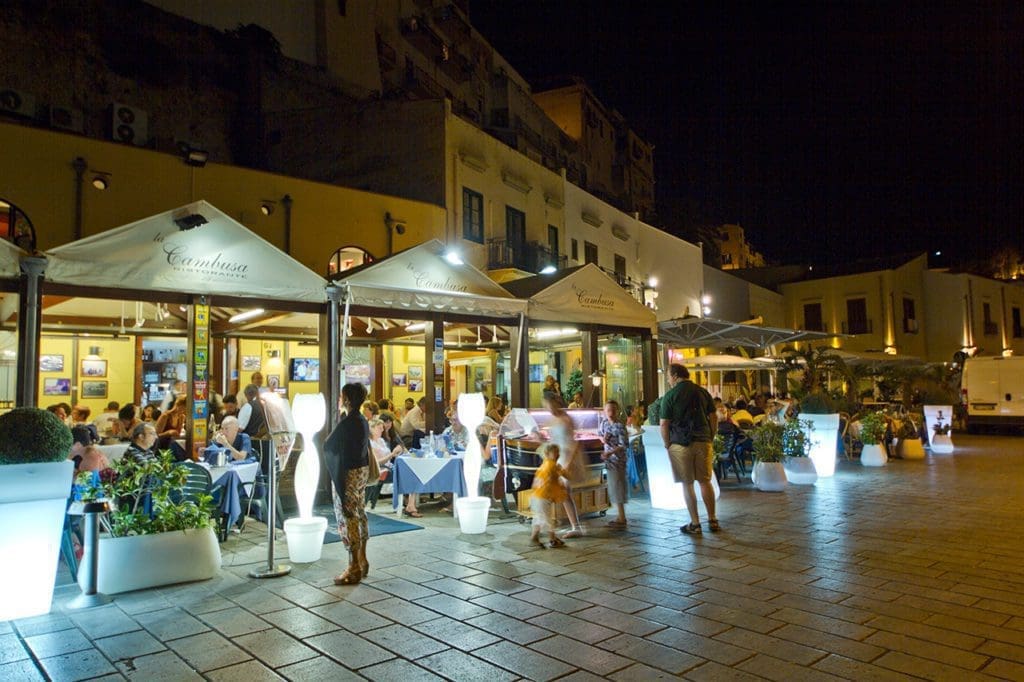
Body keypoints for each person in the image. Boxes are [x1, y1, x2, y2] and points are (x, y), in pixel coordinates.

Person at [660, 364, 719, 535]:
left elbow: (664, 423)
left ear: (676, 375)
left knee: (687, 484)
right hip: (703, 441)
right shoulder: (702, 392)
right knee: (705, 481)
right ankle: (713, 519)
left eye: (669, 376)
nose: (668, 380)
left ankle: (695, 523)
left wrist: (667, 443)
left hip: (680, 444)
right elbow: (713, 417)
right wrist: (710, 435)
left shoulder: (670, 395)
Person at [324, 382, 371, 585]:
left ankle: (353, 566)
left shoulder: (348, 422)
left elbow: (329, 445)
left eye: (343, 396)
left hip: (349, 473)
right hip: (361, 470)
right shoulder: (362, 420)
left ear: (348, 400)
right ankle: (363, 559)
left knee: (348, 515)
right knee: (359, 512)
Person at [543, 393, 584, 538]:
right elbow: (552, 440)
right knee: (560, 492)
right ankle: (566, 524)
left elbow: (573, 442)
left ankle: (574, 526)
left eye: (551, 406)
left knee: (564, 491)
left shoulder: (566, 419)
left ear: (556, 403)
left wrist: (569, 463)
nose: (550, 410)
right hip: (557, 458)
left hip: (566, 457)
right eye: (547, 407)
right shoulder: (553, 419)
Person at [529, 443, 569, 549]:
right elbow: (564, 477)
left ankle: (536, 538)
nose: (558, 455)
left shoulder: (546, 464)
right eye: (555, 453)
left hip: (537, 496)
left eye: (558, 452)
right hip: (542, 496)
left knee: (541, 518)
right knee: (546, 519)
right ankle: (552, 539)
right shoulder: (552, 466)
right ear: (547, 454)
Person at [599, 400, 630, 528]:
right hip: (609, 460)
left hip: (618, 460)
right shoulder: (604, 423)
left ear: (617, 411)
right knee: (613, 485)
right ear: (604, 412)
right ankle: (620, 515)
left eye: (613, 410)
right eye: (608, 410)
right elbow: (600, 435)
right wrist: (603, 439)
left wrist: (610, 452)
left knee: (618, 486)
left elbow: (623, 445)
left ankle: (622, 517)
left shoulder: (620, 426)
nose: (610, 413)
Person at [365, 417, 400, 510]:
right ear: (371, 429)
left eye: (382, 428)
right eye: (379, 428)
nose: (382, 430)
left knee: (405, 471)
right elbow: (376, 462)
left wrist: (396, 452)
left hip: (388, 467)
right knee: (403, 474)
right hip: (379, 469)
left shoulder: (381, 440)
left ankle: (406, 500)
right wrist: (392, 454)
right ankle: (404, 500)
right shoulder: (370, 443)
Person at [155, 395, 188, 460]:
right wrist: (168, 433)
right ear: (178, 405)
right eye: (183, 408)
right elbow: (156, 435)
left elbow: (177, 434)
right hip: (162, 447)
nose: (183, 411)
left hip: (172, 447)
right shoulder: (165, 416)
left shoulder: (182, 417)